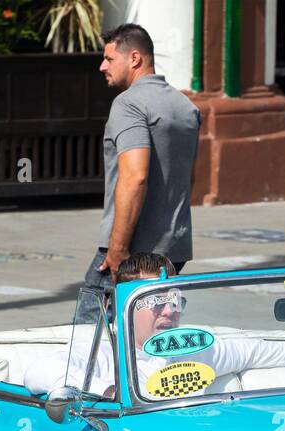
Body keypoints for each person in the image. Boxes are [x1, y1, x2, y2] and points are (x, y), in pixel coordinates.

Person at [25, 253, 285, 398]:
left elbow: (265, 352)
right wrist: (107, 392)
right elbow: (38, 372)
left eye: (174, 300)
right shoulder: (101, 353)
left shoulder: (193, 350)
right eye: (154, 301)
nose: (168, 311)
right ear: (122, 308)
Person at [91, 23, 201, 290]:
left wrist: (117, 249)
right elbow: (189, 177)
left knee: (91, 327)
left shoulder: (129, 104)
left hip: (133, 252)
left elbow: (135, 177)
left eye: (108, 59)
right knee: (151, 327)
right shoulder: (185, 106)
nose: (102, 67)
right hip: (173, 250)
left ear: (135, 58)